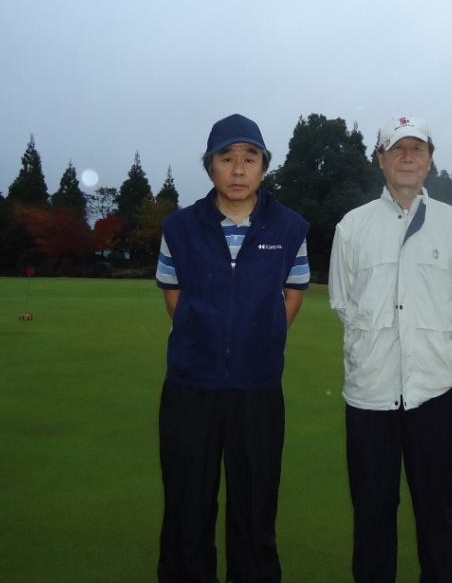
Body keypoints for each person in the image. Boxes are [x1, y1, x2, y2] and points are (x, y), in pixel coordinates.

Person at [155, 114, 310, 583]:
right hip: (190, 387)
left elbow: (293, 293)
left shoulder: (289, 228)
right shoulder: (180, 227)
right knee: (187, 510)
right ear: (211, 167)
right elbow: (174, 295)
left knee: (255, 511)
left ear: (264, 166)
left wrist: (255, 341)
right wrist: (207, 339)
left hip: (257, 390)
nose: (238, 170)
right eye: (227, 159)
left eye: (250, 158)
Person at [329, 114, 452, 583]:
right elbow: (343, 302)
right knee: (372, 515)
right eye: (397, 148)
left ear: (430, 160)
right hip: (370, 396)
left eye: (418, 148)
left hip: (434, 395)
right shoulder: (352, 226)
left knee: (437, 515)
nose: (408, 157)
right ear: (381, 159)